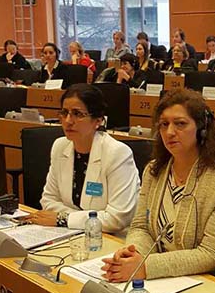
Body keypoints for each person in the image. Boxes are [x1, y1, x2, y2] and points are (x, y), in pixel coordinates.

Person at [101, 88, 215, 283]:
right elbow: (141, 227)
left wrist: (145, 266)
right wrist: (133, 254)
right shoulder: (155, 170)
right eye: (164, 124)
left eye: (180, 124)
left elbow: (214, 254)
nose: (170, 132)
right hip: (167, 278)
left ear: (201, 128)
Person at [26, 84, 139, 233]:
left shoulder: (117, 153)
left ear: (98, 120)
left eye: (77, 114)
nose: (68, 120)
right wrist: (80, 220)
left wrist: (63, 219)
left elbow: (116, 219)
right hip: (69, 233)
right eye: (64, 112)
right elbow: (48, 200)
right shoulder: (60, 146)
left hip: (112, 239)